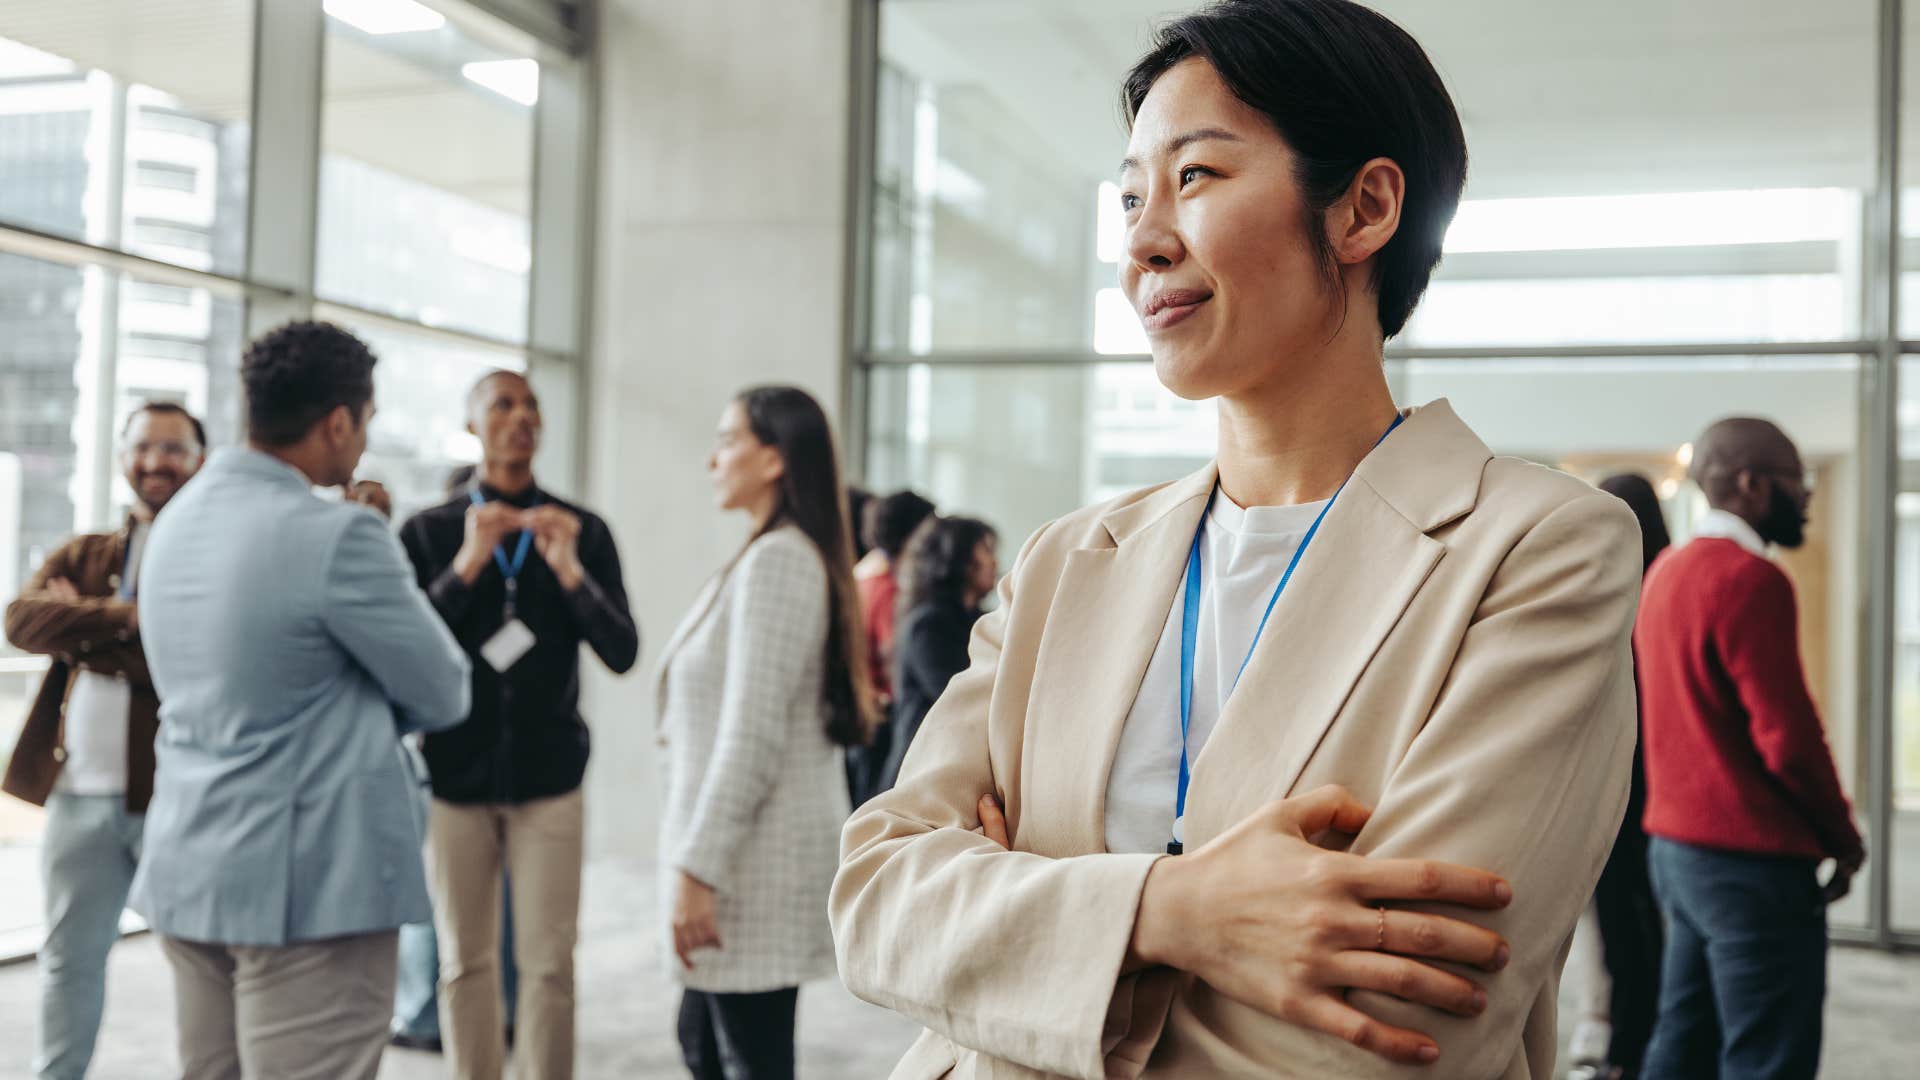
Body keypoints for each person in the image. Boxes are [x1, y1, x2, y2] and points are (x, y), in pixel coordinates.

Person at [829, 2, 1643, 1076]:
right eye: (1129, 197)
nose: (1141, 240)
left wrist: (1021, 951)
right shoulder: (1068, 562)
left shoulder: (1539, 552)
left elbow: (1391, 1036)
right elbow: (877, 906)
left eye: (1196, 177)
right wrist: (1173, 912)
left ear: (1363, 209)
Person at [130, 320, 472, 1078]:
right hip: (308, 885)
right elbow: (444, 691)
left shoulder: (172, 522)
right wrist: (367, 699)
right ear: (339, 421)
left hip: (192, 865)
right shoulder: (340, 534)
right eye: (368, 423)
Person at [397, 369, 638, 1080]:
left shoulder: (581, 531)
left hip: (550, 777)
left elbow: (621, 650)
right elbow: (409, 649)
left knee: (549, 965)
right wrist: (470, 564)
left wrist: (568, 570)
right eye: (502, 404)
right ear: (473, 425)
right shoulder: (430, 532)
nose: (521, 417)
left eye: (531, 405)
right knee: (463, 962)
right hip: (455, 774)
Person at [656, 385, 876, 1079]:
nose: (712, 458)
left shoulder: (780, 561)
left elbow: (750, 736)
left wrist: (699, 868)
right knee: (705, 1041)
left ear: (775, 459)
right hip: (741, 855)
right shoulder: (768, 554)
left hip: (749, 862)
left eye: (728, 440)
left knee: (744, 1056)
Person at [1637, 419, 1865, 1079]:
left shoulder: (1666, 572)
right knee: (1768, 1059)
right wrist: (1843, 838)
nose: (1809, 497)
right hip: (1752, 870)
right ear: (1753, 484)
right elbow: (1789, 741)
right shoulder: (1751, 580)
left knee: (1680, 1043)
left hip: (1676, 857)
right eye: (1800, 481)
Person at [2, 402, 205, 1080]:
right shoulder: (87, 551)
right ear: (122, 455)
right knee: (69, 961)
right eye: (144, 447)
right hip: (77, 797)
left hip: (175, 798)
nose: (157, 462)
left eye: (174, 449)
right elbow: (23, 621)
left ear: (200, 460)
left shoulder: (212, 555)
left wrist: (86, 633)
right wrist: (131, 618)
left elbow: (193, 655)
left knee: (203, 959)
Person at [389, 464, 520, 1057]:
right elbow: (415, 636)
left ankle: (495, 1012)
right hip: (446, 765)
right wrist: (469, 561)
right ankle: (423, 1015)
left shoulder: (551, 540)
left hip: (530, 771)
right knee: (444, 913)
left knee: (502, 915)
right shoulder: (428, 542)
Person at [1563, 473, 1671, 1080]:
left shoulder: (1602, 595)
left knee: (1619, 927)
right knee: (1647, 926)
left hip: (1610, 785)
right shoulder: (1666, 591)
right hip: (1659, 785)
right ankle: (1632, 1044)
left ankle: (1622, 1048)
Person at [876, 515, 998, 794]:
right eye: (986, 549)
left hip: (950, 766)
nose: (994, 562)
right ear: (959, 558)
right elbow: (959, 697)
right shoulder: (929, 623)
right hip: (920, 773)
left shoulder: (980, 619)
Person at [846, 490, 936, 806]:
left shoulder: (861, 576)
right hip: (882, 723)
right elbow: (890, 656)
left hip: (863, 718)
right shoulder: (888, 588)